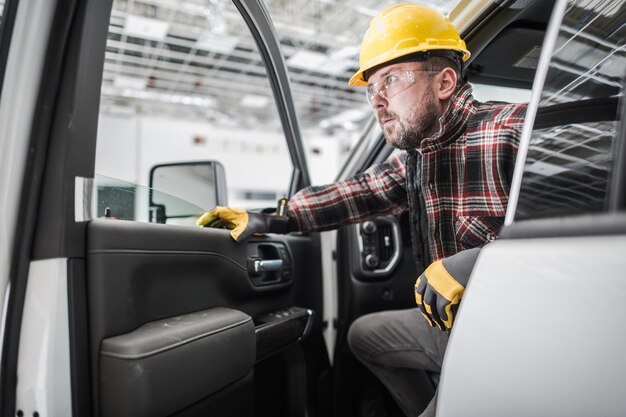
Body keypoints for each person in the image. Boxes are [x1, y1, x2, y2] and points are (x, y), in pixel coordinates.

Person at [197, 3, 527, 416]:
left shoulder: (514, 131)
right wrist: (273, 217)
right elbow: (357, 192)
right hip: (452, 327)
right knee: (364, 335)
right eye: (372, 88)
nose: (378, 101)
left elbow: (583, 230)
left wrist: (476, 263)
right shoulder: (417, 158)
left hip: (510, 336)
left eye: (391, 80)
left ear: (444, 82)